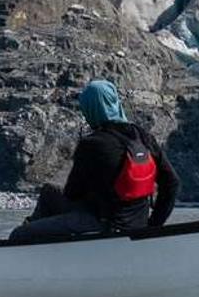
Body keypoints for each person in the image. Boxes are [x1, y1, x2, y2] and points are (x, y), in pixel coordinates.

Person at [10, 80, 180, 243]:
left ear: (91, 110)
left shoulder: (92, 144)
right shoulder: (143, 137)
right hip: (140, 224)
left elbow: (73, 193)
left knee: (19, 234)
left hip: (105, 224)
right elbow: (172, 183)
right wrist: (153, 227)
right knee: (49, 192)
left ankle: (33, 250)